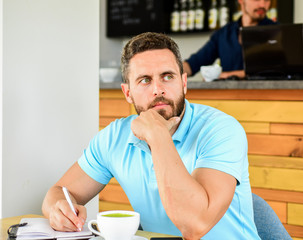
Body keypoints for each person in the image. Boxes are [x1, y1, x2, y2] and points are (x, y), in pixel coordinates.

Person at [42, 32, 261, 240]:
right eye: (145, 80)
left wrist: (157, 135)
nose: (158, 89)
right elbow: (59, 192)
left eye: (167, 77)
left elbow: (195, 226)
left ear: (183, 83)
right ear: (128, 93)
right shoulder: (114, 137)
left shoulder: (220, 130)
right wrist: (58, 210)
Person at [183, 0, 277, 79]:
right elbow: (193, 64)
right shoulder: (223, 34)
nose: (262, 5)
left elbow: (277, 71)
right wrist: (172, 70)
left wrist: (227, 75)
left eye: (267, 0)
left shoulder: (278, 32)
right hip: (229, 98)